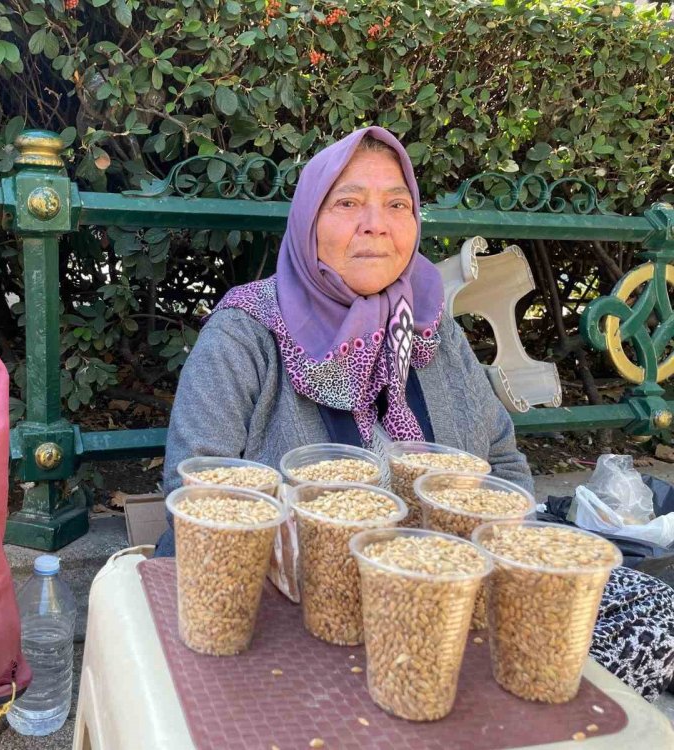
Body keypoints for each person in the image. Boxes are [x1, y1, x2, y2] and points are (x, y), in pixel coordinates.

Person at [155, 125, 674, 701]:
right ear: (308, 223)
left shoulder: (431, 327)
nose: (375, 222)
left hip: (450, 597)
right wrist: (349, 576)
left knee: (659, 623)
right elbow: (199, 498)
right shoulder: (245, 334)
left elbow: (502, 464)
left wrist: (459, 581)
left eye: (396, 204)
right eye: (348, 202)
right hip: (305, 607)